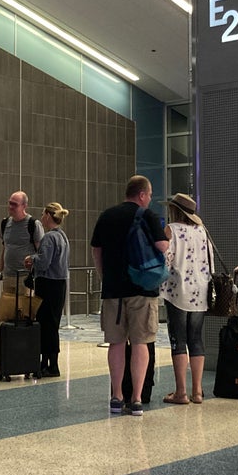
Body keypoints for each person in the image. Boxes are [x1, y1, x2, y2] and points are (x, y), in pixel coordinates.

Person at [91, 175, 168, 416]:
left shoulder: (107, 216)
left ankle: (116, 396)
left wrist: (105, 276)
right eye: (150, 194)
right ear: (142, 195)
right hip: (142, 289)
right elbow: (163, 247)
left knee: (115, 343)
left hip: (114, 289)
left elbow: (96, 249)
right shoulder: (148, 215)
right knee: (140, 342)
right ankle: (136, 398)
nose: (150, 199)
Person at [158, 193, 210, 405]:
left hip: (177, 291)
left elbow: (166, 261)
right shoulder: (201, 231)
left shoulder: (171, 230)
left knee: (178, 340)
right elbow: (209, 261)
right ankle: (197, 391)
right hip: (201, 291)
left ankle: (181, 392)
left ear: (174, 210)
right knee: (196, 339)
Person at [24, 202, 69, 378]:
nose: (41, 218)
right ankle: (49, 363)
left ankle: (49, 365)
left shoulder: (49, 238)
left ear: (49, 216)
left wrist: (31, 258)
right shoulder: (63, 237)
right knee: (53, 324)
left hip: (48, 284)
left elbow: (43, 262)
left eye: (43, 214)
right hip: (60, 284)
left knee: (46, 325)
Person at [0, 190, 43, 296]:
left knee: (24, 311)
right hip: (8, 276)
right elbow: (5, 247)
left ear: (24, 206)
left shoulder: (33, 224)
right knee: (6, 311)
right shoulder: (5, 223)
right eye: (10, 203)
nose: (11, 207)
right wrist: (0, 270)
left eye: (14, 204)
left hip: (25, 277)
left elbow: (41, 251)